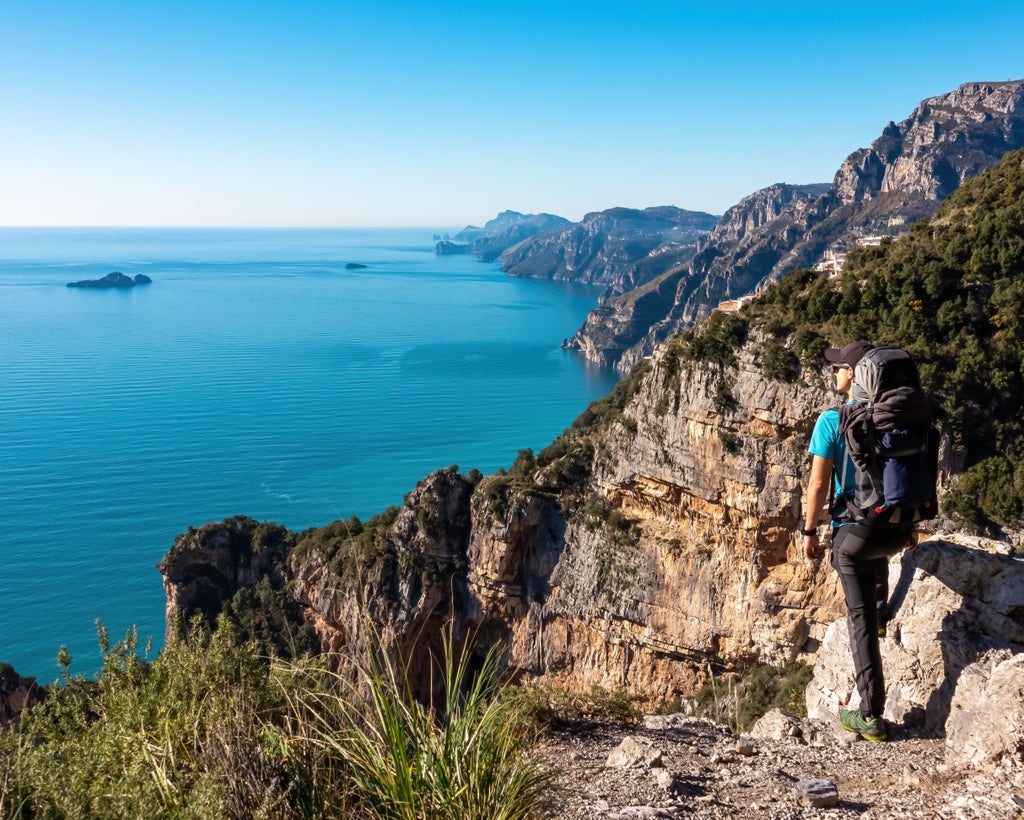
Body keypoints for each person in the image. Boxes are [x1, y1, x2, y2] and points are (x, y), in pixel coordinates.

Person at [802, 340, 910, 742]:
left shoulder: (833, 420)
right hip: (897, 529)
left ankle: (870, 715)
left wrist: (810, 531)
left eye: (837, 368)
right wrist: (909, 526)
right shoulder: (895, 417)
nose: (833, 373)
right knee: (874, 558)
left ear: (853, 374)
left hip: (856, 533)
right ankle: (883, 624)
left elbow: (817, 485)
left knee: (857, 618)